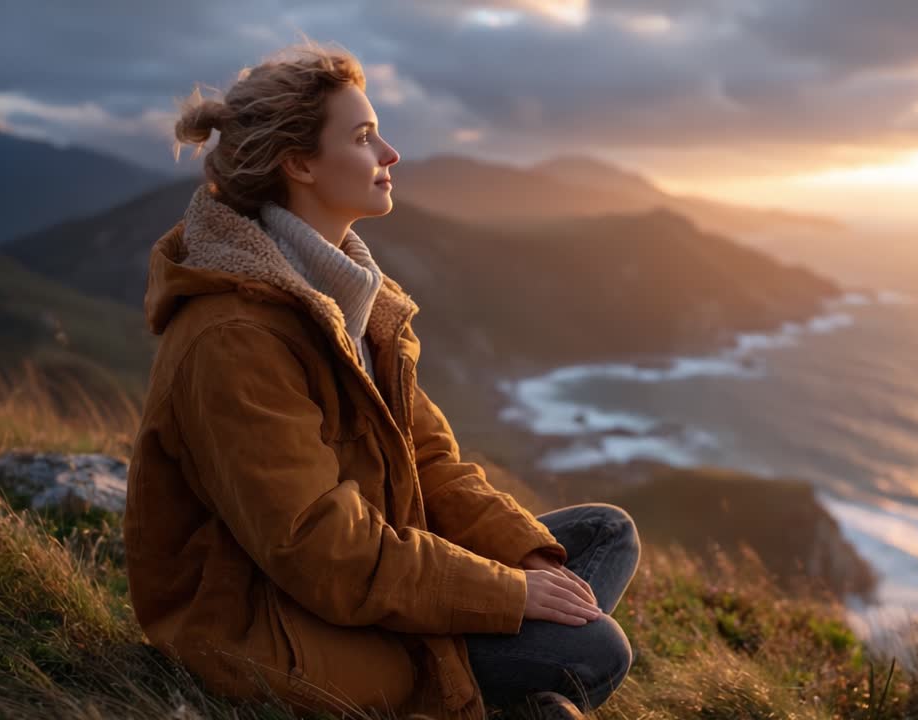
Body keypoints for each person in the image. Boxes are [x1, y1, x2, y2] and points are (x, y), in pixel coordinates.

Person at [123, 39, 639, 720]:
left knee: (605, 534)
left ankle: (512, 696)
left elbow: (428, 462)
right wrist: (506, 597)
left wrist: (524, 565)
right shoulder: (233, 337)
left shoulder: (353, 300)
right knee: (595, 651)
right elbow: (318, 549)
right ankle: (495, 695)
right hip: (273, 627)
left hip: (368, 580)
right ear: (299, 162)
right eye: (364, 137)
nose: (390, 154)